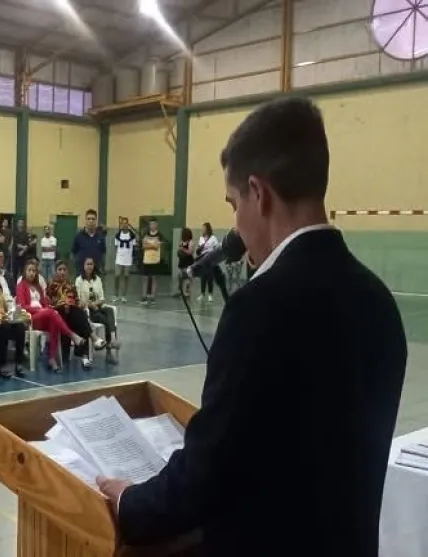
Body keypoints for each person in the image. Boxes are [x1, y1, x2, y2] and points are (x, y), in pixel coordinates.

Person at [97, 97, 407, 557]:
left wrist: (131, 501)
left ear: (258, 194)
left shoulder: (259, 308)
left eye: (233, 202)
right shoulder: (378, 302)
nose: (235, 224)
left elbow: (208, 475)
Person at [15, 261, 84, 372]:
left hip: (43, 316)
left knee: (54, 320)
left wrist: (46, 308)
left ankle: (52, 358)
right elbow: (23, 306)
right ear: (25, 272)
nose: (32, 273)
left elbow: (45, 303)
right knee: (52, 313)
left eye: (34, 270)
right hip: (30, 318)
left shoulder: (38, 286)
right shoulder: (21, 286)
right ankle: (72, 335)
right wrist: (42, 310)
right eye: (29, 270)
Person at [139, 219, 164, 306]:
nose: (152, 226)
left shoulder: (160, 235)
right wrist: (152, 245)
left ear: (156, 225)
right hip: (147, 260)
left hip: (155, 260)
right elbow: (143, 246)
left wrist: (149, 244)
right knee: (145, 279)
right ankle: (144, 297)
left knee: (154, 278)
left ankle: (153, 298)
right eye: (150, 224)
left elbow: (157, 246)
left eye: (154, 224)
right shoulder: (145, 234)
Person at [112, 217, 136, 302]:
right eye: (123, 223)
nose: (124, 225)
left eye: (126, 223)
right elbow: (116, 247)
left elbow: (133, 247)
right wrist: (118, 256)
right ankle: (115, 295)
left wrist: (131, 257)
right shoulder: (118, 235)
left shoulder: (132, 235)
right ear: (121, 225)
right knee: (117, 276)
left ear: (128, 224)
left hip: (128, 259)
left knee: (126, 276)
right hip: (119, 258)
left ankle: (123, 296)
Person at [196, 222, 222, 302]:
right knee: (203, 277)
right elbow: (198, 250)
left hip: (210, 259)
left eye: (204, 228)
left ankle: (210, 294)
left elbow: (217, 248)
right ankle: (202, 294)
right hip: (203, 259)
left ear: (207, 228)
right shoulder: (201, 238)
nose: (202, 229)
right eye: (202, 228)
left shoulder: (213, 238)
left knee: (210, 277)